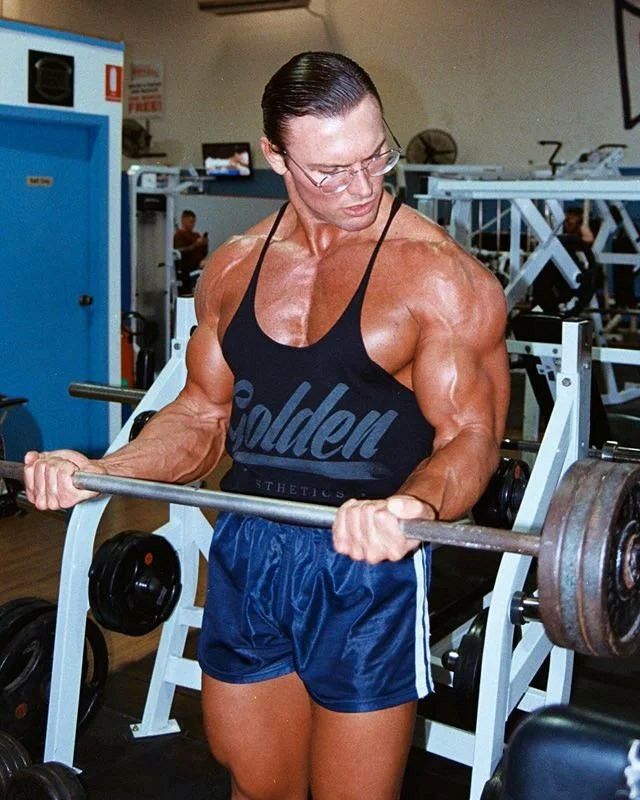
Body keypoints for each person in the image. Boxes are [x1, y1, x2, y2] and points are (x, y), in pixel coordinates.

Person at [23, 52, 509, 800]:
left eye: (376, 156)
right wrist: (102, 469)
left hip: (367, 558)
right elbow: (201, 416)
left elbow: (470, 437)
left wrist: (415, 507)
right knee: (253, 782)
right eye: (330, 170)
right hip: (250, 546)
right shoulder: (233, 267)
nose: (362, 186)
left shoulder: (439, 277)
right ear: (275, 157)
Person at [173, 209, 208, 295]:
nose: (193, 224)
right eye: (190, 221)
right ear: (183, 220)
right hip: (186, 270)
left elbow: (203, 253)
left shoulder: (196, 235)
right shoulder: (179, 235)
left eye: (194, 222)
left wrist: (205, 244)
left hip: (198, 267)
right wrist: (195, 245)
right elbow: (180, 251)